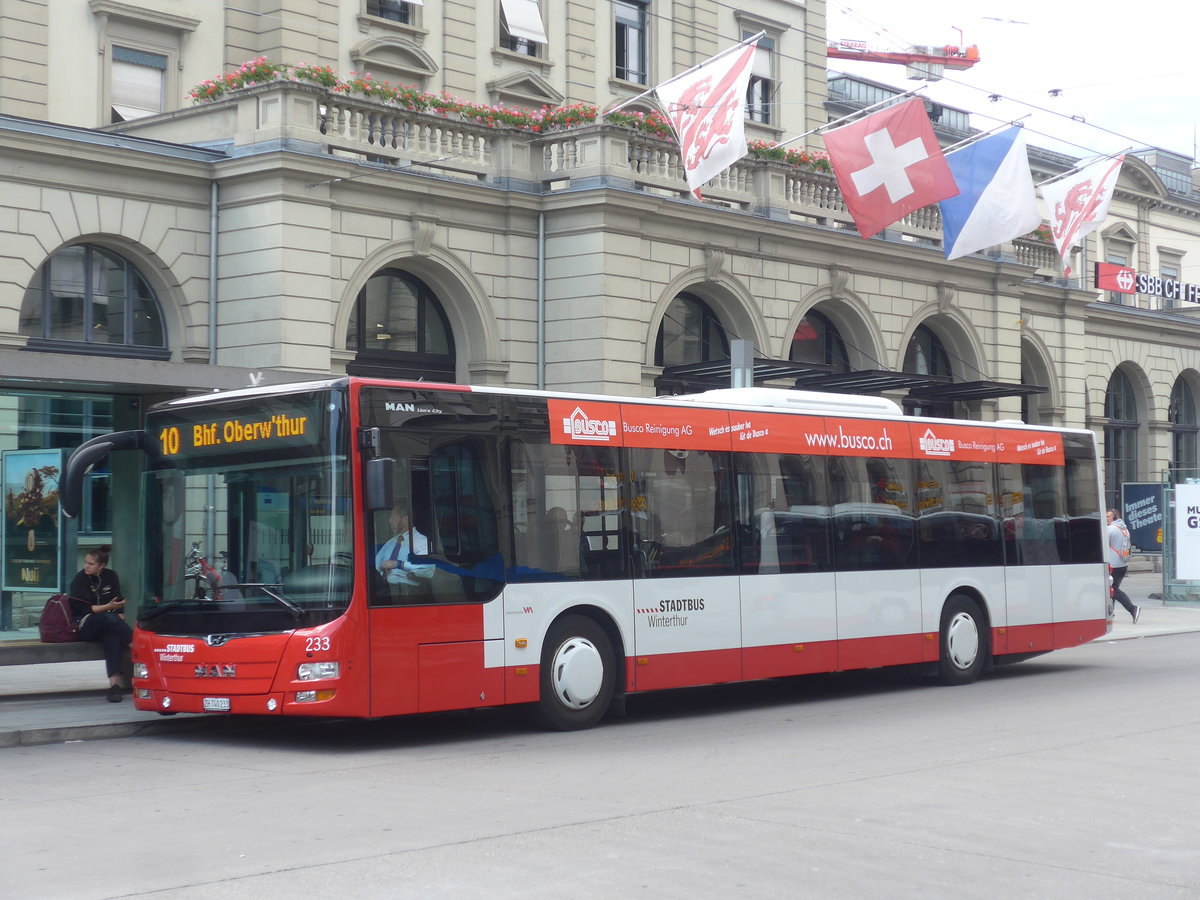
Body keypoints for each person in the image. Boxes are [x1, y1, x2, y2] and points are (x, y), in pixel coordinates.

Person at [67, 545, 134, 702]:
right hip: (85, 624)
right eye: (85, 562)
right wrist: (109, 607)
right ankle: (135, 644)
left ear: (102, 566)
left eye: (91, 564)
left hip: (109, 623)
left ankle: (114, 686)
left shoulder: (111, 576)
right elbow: (83, 609)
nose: (86, 566)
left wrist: (119, 610)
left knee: (113, 637)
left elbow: (118, 601)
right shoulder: (79, 580)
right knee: (109, 618)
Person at [374, 505, 435, 588]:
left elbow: (428, 569)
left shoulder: (421, 541)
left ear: (405, 519)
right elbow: (377, 563)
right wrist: (383, 572)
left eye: (393, 517)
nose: (389, 520)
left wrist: (399, 564)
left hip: (409, 591)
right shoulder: (391, 542)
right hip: (386, 588)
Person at [1106, 509, 1140, 624]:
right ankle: (1110, 614)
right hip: (1123, 564)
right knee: (1112, 589)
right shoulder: (1124, 529)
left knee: (1112, 589)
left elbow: (1103, 544)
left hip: (1113, 565)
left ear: (1114, 517)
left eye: (1108, 516)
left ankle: (1133, 609)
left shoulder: (1110, 529)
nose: (1106, 518)